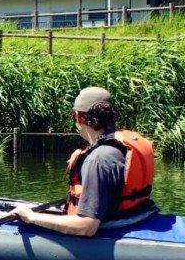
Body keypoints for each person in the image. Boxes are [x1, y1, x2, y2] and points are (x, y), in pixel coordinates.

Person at [11, 86, 155, 237]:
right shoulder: (118, 147)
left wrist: (31, 216)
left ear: (79, 117)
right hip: (136, 217)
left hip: (107, 231)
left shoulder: (97, 160)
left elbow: (87, 226)